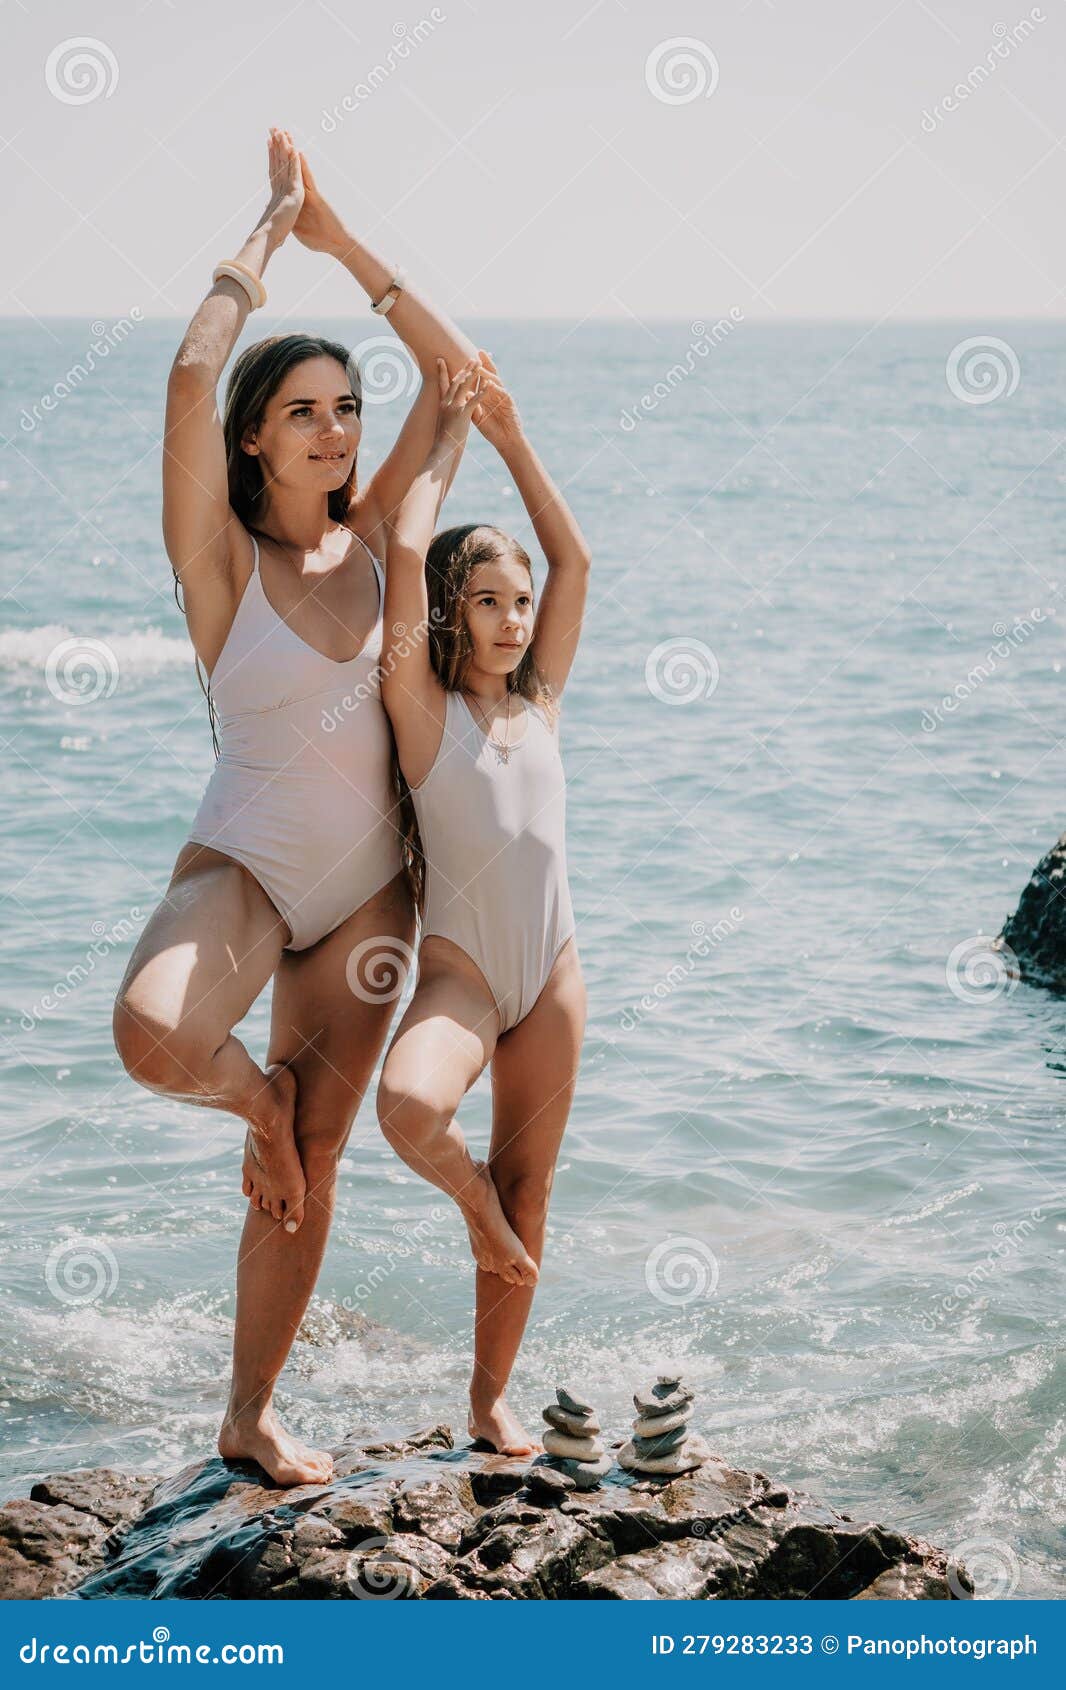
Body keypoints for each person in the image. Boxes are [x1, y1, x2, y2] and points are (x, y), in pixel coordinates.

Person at [112, 129, 478, 1486]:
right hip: (250, 867)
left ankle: (248, 1410)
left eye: (346, 408)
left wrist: (349, 245)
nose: (336, 428)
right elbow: (192, 367)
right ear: (255, 439)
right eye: (307, 410)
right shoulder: (219, 561)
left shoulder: (382, 540)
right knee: (154, 1036)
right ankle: (253, 1106)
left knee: (317, 1160)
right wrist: (269, 230)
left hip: (374, 893)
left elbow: (462, 379)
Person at [376, 353, 591, 1455]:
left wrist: (513, 433)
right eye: (490, 603)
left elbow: (575, 556)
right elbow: (406, 548)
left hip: (550, 971)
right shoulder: (423, 712)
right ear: (453, 617)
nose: (513, 620)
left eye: (519, 606)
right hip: (461, 971)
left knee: (534, 1182)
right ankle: (481, 1219)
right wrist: (452, 437)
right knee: (408, 1109)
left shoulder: (540, 701)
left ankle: (486, 1399)